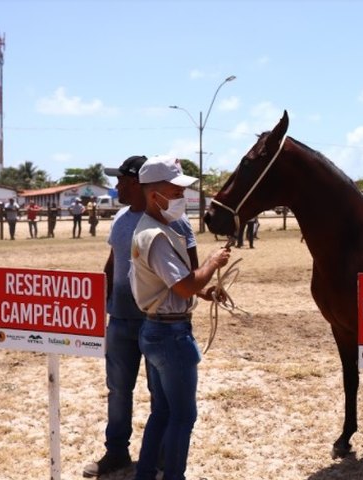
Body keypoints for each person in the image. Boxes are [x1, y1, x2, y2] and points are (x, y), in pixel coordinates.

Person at [83, 155, 218, 478]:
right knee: (127, 392)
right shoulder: (130, 223)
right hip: (136, 321)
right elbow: (116, 262)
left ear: (137, 184)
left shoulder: (173, 225)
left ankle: (157, 462)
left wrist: (205, 290)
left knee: (161, 402)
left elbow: (188, 275)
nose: (118, 187)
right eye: (175, 192)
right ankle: (123, 454)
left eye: (122, 182)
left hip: (152, 319)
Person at [129, 155, 230, 480]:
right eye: (174, 192)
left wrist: (206, 291)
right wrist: (212, 264)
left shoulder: (153, 229)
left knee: (163, 411)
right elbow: (184, 286)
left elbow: (175, 286)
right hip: (171, 335)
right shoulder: (157, 237)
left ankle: (146, 474)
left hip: (157, 329)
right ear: (153, 194)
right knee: (183, 415)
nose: (180, 199)